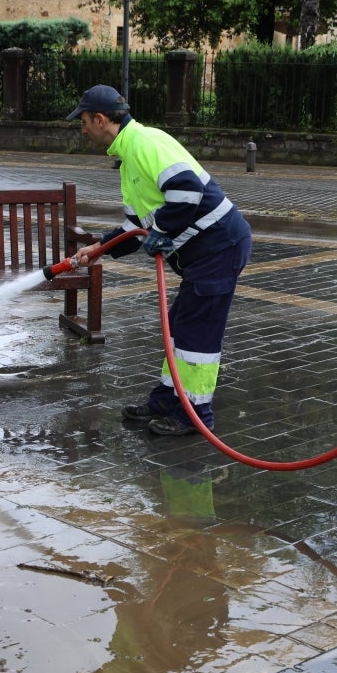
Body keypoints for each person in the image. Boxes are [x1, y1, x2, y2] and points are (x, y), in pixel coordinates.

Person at [68, 85, 252, 437]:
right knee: (180, 326)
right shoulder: (128, 158)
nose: (82, 129)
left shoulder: (145, 142)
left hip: (219, 247)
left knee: (197, 335)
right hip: (204, 254)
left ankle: (195, 416)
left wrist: (163, 229)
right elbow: (136, 226)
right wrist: (98, 250)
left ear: (100, 119)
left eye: (84, 121)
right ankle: (168, 400)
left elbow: (186, 191)